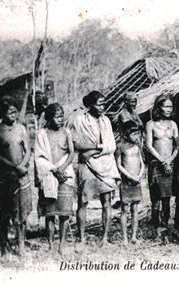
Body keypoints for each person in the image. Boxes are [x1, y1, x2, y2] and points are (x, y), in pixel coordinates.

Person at [70, 90, 121, 245]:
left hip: (106, 164)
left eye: (103, 104)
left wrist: (93, 149)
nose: (102, 107)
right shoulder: (80, 121)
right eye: (99, 104)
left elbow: (111, 145)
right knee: (83, 201)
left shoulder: (106, 121)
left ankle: (105, 237)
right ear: (90, 105)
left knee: (106, 201)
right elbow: (76, 143)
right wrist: (97, 148)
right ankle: (82, 237)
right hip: (88, 165)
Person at [0, 97, 32, 255]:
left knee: (22, 212)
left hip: (22, 175)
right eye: (9, 111)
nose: (13, 114)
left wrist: (23, 166)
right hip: (7, 176)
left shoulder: (21, 129)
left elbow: (28, 150)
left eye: (15, 111)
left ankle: (21, 244)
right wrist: (15, 167)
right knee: (5, 212)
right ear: (1, 113)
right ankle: (3, 243)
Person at [34, 103, 75, 253]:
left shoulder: (66, 132)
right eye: (57, 116)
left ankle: (62, 244)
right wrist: (53, 170)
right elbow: (39, 157)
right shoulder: (42, 134)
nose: (61, 119)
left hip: (65, 174)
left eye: (62, 116)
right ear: (50, 118)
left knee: (64, 213)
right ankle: (51, 244)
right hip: (49, 173)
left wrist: (62, 169)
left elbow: (71, 153)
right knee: (50, 213)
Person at [145, 93, 179, 234]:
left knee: (167, 197)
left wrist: (169, 160)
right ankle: (155, 226)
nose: (168, 109)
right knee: (156, 198)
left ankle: (164, 225)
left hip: (170, 164)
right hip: (156, 163)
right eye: (165, 106)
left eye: (170, 106)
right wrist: (161, 160)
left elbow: (177, 145)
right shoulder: (151, 124)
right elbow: (149, 145)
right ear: (159, 107)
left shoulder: (173, 124)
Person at [115, 120, 145, 246]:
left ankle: (133, 236)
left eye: (137, 134)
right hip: (126, 181)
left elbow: (142, 163)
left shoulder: (137, 147)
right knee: (124, 209)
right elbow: (119, 165)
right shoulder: (120, 147)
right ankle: (124, 238)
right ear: (126, 134)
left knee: (135, 209)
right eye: (134, 134)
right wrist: (130, 176)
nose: (136, 136)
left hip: (136, 181)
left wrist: (139, 175)